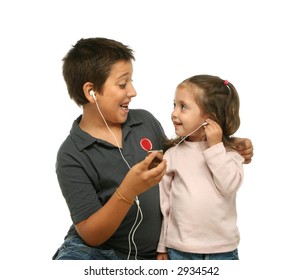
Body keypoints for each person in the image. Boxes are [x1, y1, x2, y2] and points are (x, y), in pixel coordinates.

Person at [52, 37, 253, 260]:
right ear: (91, 92)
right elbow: (91, 235)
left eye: (131, 81)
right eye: (122, 84)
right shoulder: (71, 155)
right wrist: (127, 191)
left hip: (161, 255)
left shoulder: (144, 121)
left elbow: (184, 147)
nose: (133, 91)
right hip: (99, 252)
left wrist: (228, 143)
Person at [156, 75, 246, 260]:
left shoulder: (230, 153)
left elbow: (228, 186)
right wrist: (162, 247)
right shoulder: (172, 155)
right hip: (180, 249)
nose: (174, 113)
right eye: (174, 105)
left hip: (223, 250)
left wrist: (215, 147)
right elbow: (165, 206)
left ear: (209, 117)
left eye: (183, 107)